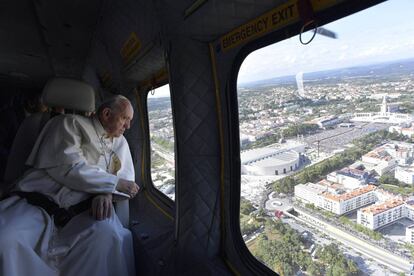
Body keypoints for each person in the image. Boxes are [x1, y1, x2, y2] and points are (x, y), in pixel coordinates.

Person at [0, 95, 139, 276]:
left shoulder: (121, 142)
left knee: (108, 238)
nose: (128, 126)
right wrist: (111, 184)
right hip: (39, 201)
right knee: (6, 238)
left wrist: (106, 193)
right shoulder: (68, 123)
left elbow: (125, 178)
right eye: (124, 119)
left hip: (84, 210)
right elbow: (68, 167)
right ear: (106, 114)